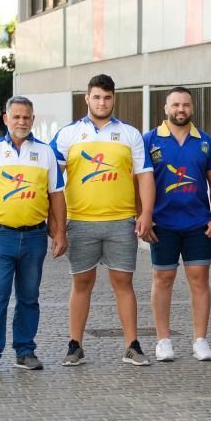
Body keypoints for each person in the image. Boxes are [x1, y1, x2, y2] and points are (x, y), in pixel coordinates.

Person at [50, 74, 155, 366]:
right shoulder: (67, 134)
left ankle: (132, 345)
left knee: (123, 282)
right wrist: (56, 224)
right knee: (81, 282)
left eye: (107, 97)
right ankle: (75, 345)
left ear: (114, 99)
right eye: (96, 97)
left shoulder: (130, 134)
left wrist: (146, 213)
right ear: (87, 98)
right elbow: (51, 182)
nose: (101, 102)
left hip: (121, 220)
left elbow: (145, 176)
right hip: (80, 221)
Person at [0, 96, 68, 374]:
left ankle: (25, 351)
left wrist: (60, 232)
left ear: (33, 120)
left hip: (35, 237)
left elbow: (57, 196)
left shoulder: (45, 153)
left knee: (29, 296)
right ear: (6, 118)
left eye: (27, 117)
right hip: (1, 236)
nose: (22, 122)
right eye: (17, 117)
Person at [142, 87, 211, 362]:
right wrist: (144, 215)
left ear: (192, 108)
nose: (180, 110)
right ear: (165, 108)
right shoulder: (149, 140)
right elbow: (140, 181)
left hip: (197, 224)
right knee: (162, 280)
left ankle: (200, 339)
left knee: (200, 280)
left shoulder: (205, 142)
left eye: (185, 105)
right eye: (175, 104)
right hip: (162, 224)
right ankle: (163, 340)